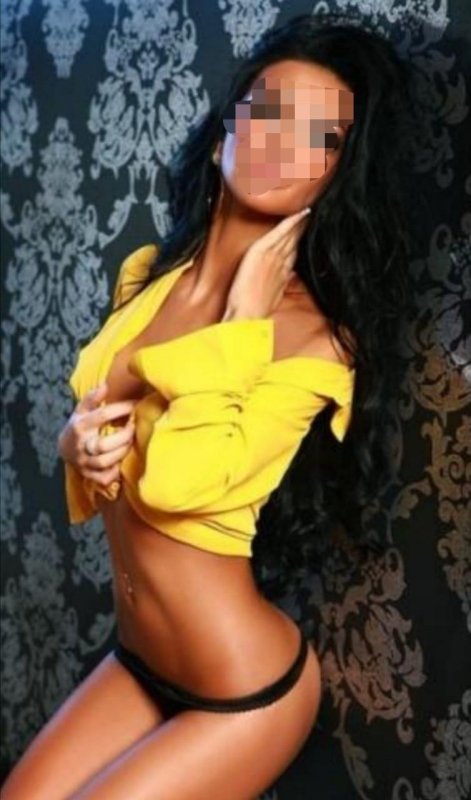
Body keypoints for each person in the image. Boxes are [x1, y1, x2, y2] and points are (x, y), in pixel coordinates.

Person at [2, 13, 416, 800]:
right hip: (138, 659)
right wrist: (74, 444)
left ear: (336, 176)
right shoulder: (148, 276)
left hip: (242, 691)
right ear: (230, 119)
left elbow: (177, 485)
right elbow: (106, 419)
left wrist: (242, 324)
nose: (280, 145)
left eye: (319, 139)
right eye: (269, 111)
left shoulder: (314, 342)